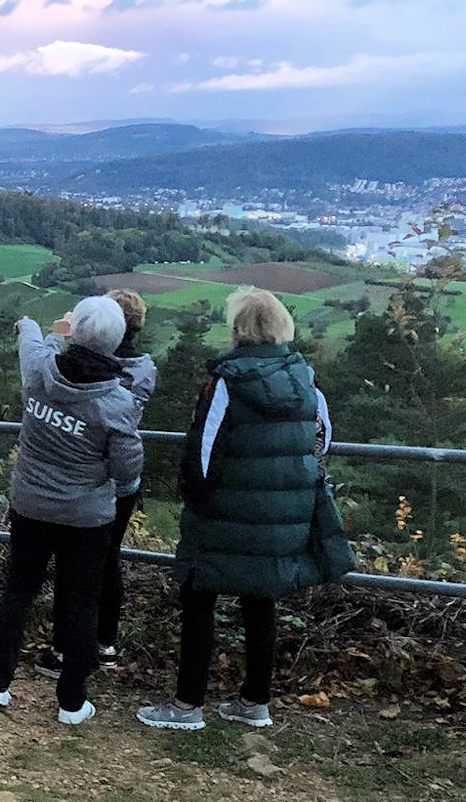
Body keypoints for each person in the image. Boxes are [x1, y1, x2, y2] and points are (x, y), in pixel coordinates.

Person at [139, 287, 334, 732]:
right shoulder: (305, 377)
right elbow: (322, 442)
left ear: (238, 329)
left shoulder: (227, 380)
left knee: (199, 599)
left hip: (222, 514)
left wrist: (195, 500)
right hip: (281, 518)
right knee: (260, 602)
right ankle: (255, 702)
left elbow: (202, 452)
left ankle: (188, 705)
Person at [0, 297, 143, 725]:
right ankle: (72, 703)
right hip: (86, 518)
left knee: (18, 592)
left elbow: (28, 335)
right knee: (81, 604)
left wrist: (51, 328)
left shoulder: (39, 372)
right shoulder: (116, 403)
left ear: (75, 334)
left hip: (29, 505)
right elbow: (127, 472)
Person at [34, 288, 157, 678]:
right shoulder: (143, 369)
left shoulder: (86, 369)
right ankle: (105, 644)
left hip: (85, 477)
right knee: (108, 560)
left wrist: (62, 336)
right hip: (124, 478)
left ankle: (65, 651)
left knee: (75, 565)